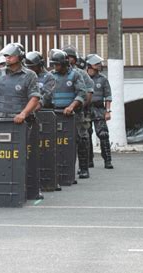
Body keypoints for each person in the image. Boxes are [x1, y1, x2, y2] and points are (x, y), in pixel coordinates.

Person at [0, 43, 41, 124]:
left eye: (11, 56)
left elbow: (35, 98)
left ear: (20, 57)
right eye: (6, 56)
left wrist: (23, 114)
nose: (7, 58)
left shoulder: (30, 75)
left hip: (21, 121)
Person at [49, 49, 89, 178]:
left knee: (80, 139)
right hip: (55, 113)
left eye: (58, 64)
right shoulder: (51, 75)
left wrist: (72, 106)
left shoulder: (76, 75)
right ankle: (59, 169)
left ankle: (83, 168)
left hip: (73, 114)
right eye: (53, 64)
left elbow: (82, 93)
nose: (55, 67)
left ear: (65, 64)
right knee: (55, 141)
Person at [86, 53, 114, 169]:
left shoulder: (103, 79)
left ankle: (107, 160)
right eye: (97, 63)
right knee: (85, 136)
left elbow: (108, 96)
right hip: (85, 109)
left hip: (98, 109)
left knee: (103, 134)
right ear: (90, 65)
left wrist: (107, 111)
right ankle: (88, 161)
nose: (99, 65)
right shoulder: (82, 77)